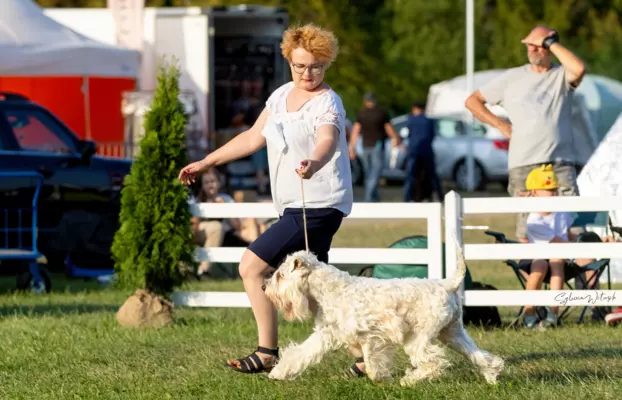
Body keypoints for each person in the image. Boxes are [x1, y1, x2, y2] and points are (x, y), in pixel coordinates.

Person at [179, 23, 353, 373]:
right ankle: (363, 353)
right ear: (289, 60)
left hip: (318, 204)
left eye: (316, 66)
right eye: (300, 65)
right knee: (319, 288)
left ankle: (266, 351)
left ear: (327, 63)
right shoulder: (280, 96)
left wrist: (315, 161)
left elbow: (328, 138)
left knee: (251, 265)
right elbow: (251, 139)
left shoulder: (327, 102)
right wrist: (206, 161)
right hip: (294, 204)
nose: (308, 73)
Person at [465, 25, 587, 243]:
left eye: (540, 46)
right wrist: (501, 125)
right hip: (523, 164)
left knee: (574, 231)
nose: (534, 49)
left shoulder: (561, 75)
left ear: (551, 48)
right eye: (530, 45)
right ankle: (535, 277)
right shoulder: (511, 77)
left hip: (560, 164)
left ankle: (578, 276)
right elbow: (472, 101)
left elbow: (579, 69)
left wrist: (549, 41)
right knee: (527, 233)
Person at [517, 165, 612, 329]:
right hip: (538, 256)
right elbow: (557, 242)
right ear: (534, 193)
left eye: (555, 189)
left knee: (561, 259)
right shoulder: (534, 221)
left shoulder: (561, 213)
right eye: (548, 190)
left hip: (560, 257)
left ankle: (554, 312)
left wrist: (597, 241)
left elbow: (568, 236)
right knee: (544, 263)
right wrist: (575, 248)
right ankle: (530, 312)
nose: (554, 193)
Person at [347, 92, 401, 202]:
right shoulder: (381, 113)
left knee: (368, 172)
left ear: (365, 101)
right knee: (376, 171)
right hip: (378, 144)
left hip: (365, 145)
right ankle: (369, 197)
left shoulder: (361, 114)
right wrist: (396, 138)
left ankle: (374, 197)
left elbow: (355, 131)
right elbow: (389, 128)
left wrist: (351, 147)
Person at [403, 100, 443, 202]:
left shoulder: (410, 119)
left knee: (410, 175)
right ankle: (440, 196)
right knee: (432, 174)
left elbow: (404, 133)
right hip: (427, 150)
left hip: (413, 151)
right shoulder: (429, 121)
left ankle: (407, 198)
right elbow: (432, 135)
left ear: (414, 109)